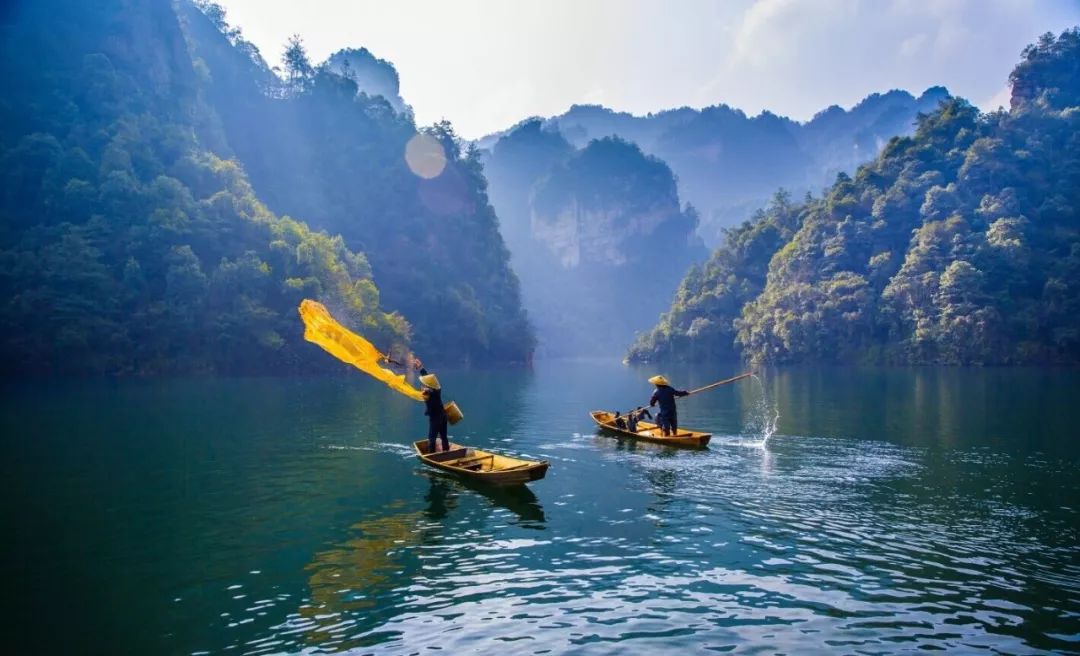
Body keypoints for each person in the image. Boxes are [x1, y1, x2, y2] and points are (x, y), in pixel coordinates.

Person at [414, 358, 449, 453]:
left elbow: (429, 390)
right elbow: (427, 378)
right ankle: (446, 453)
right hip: (443, 416)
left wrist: (425, 390)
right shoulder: (437, 389)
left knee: (432, 438)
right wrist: (420, 368)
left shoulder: (431, 391)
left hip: (435, 418)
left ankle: (431, 455)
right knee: (444, 437)